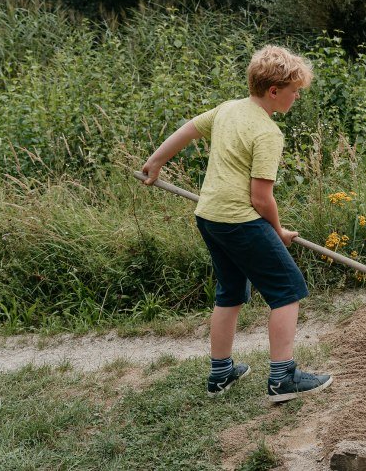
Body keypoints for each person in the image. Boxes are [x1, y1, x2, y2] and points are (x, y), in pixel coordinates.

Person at [141, 45, 332, 402]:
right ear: (274, 91)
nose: (296, 97)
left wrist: (155, 161)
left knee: (229, 292)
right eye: (294, 91)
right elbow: (260, 198)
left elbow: (188, 130)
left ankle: (220, 373)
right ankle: (282, 379)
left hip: (210, 217)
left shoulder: (227, 109)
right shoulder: (267, 133)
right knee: (288, 291)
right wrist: (278, 231)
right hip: (240, 221)